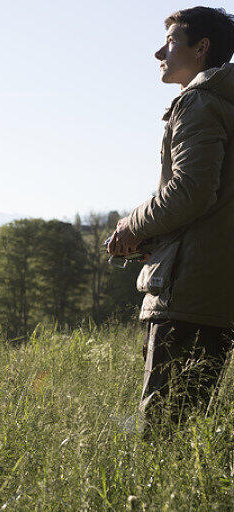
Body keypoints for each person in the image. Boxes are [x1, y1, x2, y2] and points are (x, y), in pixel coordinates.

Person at [107, 6, 234, 438]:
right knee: (199, 435)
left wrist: (132, 226)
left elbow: (191, 191)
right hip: (221, 291)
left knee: (164, 433)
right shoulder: (226, 103)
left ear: (201, 48)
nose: (159, 52)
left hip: (190, 293)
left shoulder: (198, 101)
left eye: (172, 42)